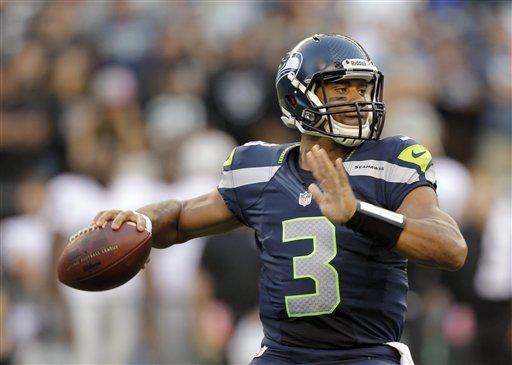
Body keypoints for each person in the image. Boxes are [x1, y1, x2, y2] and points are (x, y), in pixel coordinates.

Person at [92, 34, 467, 365]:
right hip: (282, 355)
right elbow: (178, 219)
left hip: (365, 354)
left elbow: (451, 249)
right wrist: (138, 221)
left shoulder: (392, 160)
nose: (356, 100)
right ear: (296, 97)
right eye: (341, 89)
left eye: (361, 89)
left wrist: (358, 214)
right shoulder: (257, 169)